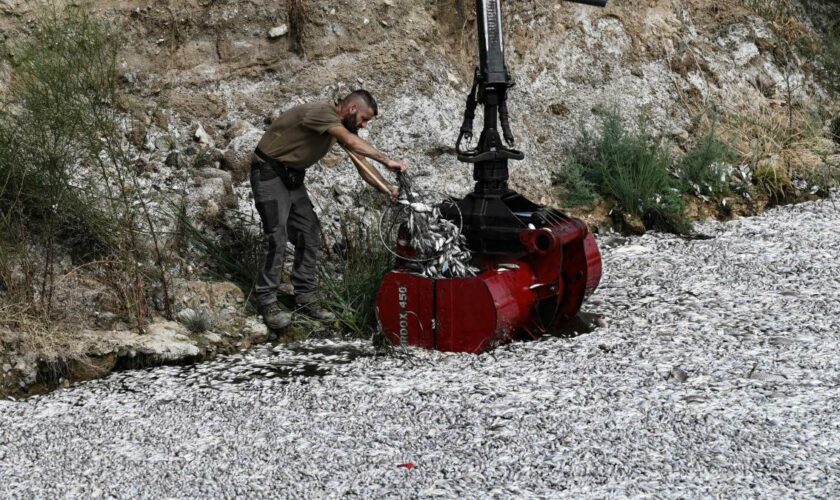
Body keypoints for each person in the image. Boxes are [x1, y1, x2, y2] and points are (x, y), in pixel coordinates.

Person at [250, 90, 409, 330]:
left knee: (309, 233)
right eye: (364, 119)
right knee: (277, 238)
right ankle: (267, 303)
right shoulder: (322, 113)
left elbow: (361, 163)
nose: (364, 125)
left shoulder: (338, 127)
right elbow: (353, 142)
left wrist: (386, 187)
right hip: (269, 174)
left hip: (292, 178)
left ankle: (305, 298)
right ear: (352, 108)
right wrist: (387, 160)